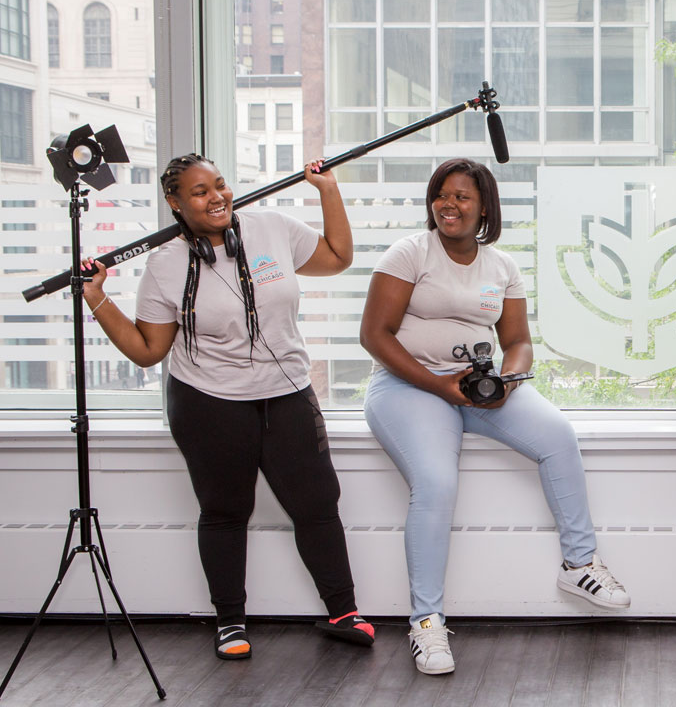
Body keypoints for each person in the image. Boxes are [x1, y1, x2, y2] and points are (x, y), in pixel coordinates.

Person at [81, 153, 375, 660]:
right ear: (174, 202)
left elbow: (336, 257)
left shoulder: (272, 228)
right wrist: (97, 299)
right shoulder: (166, 263)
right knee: (224, 511)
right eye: (199, 191)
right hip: (208, 402)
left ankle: (343, 610)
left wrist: (327, 190)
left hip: (286, 393)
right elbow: (148, 351)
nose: (216, 196)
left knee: (316, 503)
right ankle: (229, 621)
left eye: (219, 184)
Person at [360, 158, 630, 676]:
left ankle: (580, 565)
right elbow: (375, 335)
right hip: (410, 386)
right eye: (442, 193)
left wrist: (508, 380)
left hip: (478, 387)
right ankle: (426, 623)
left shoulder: (501, 266)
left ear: (484, 206)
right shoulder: (410, 253)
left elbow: (518, 341)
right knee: (436, 482)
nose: (449, 204)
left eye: (462, 196)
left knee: (558, 436)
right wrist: (439, 385)